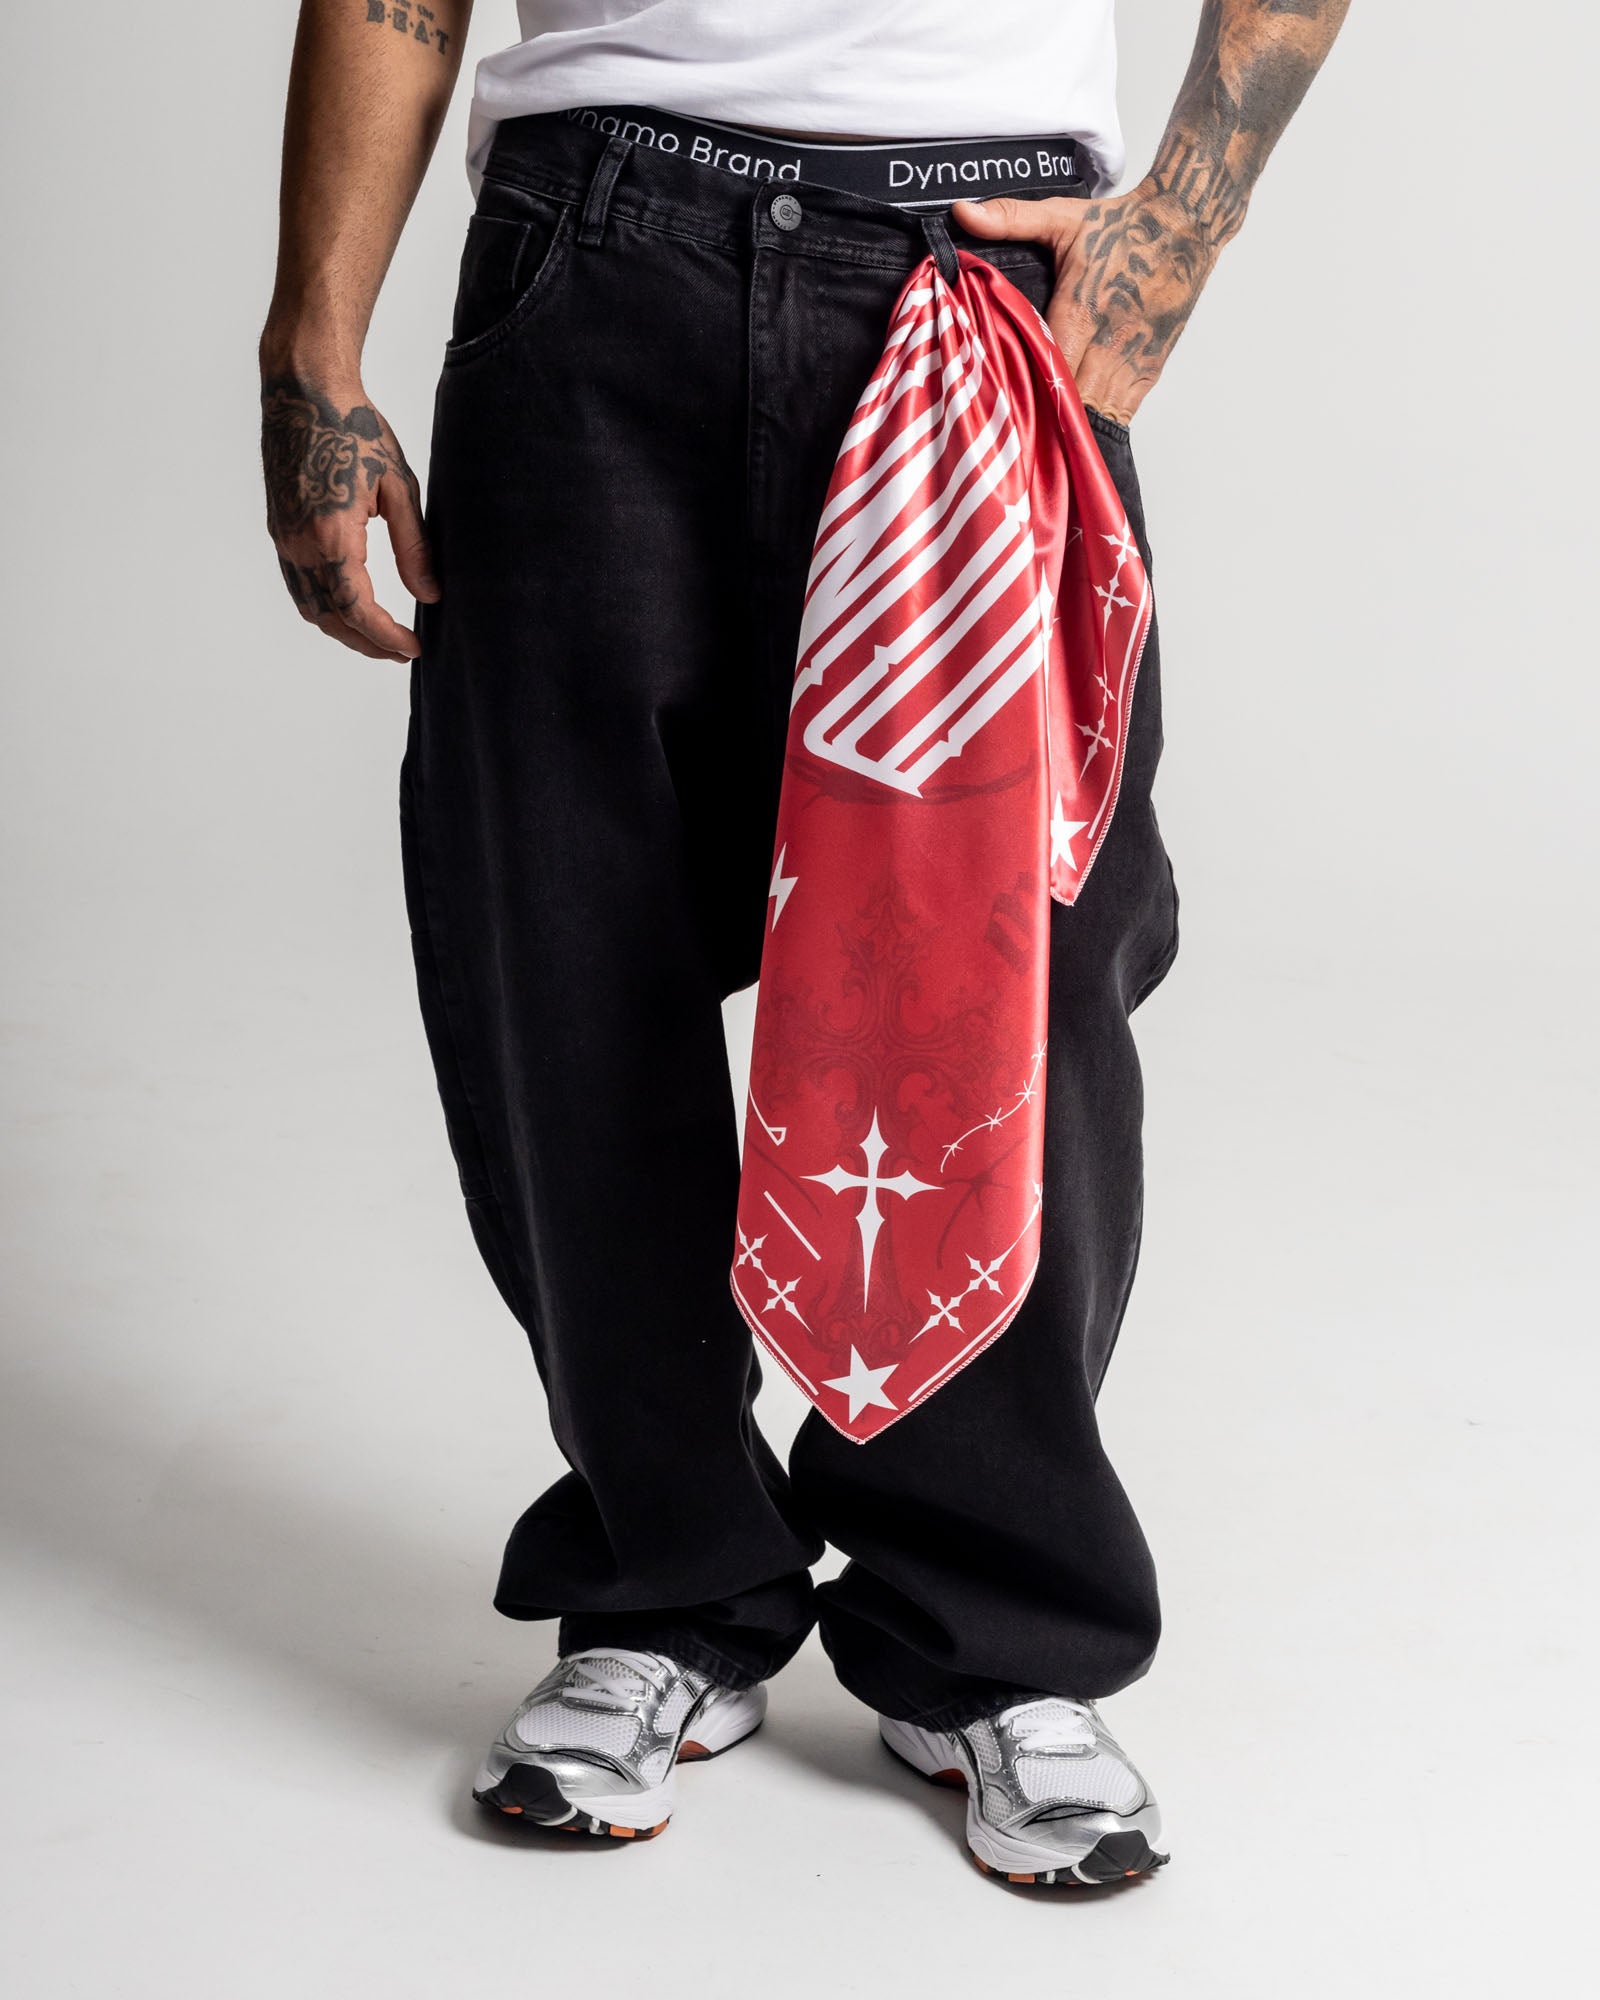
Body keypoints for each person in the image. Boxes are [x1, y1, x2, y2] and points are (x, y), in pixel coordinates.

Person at [261, 0, 1349, 1887]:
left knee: (1011, 984)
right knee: (566, 959)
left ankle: (992, 1628)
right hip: (594, 255)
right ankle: (665, 1582)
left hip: (971, 272)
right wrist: (311, 344)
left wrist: (1188, 210)